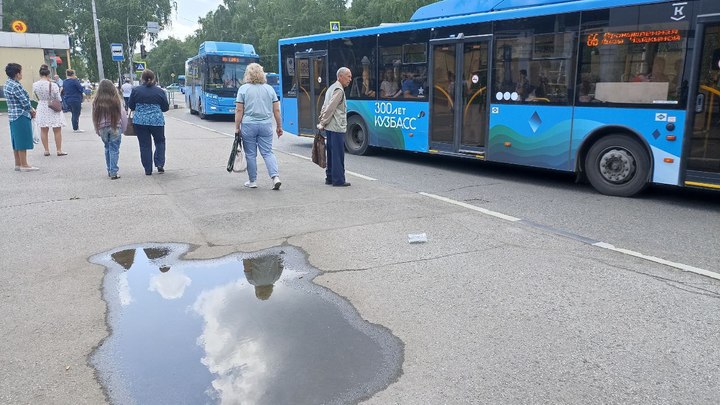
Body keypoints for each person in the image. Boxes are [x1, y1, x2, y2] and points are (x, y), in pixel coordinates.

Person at [234, 63, 283, 190]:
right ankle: (275, 177)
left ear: (248, 74)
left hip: (249, 125)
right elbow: (276, 110)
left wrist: (237, 127)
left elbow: (239, 110)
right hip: (266, 124)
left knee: (250, 154)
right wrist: (279, 126)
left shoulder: (243, 89)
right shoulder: (269, 89)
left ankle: (253, 181)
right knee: (267, 152)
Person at [128, 69, 169, 175]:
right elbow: (165, 108)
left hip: (140, 122)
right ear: (153, 78)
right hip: (157, 121)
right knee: (160, 142)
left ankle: (148, 169)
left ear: (142, 78)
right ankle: (160, 164)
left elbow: (131, 106)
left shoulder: (136, 90)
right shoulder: (160, 91)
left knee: (144, 145)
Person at [317, 67, 352, 187]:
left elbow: (325, 106)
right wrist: (322, 122)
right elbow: (331, 107)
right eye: (348, 76)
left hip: (330, 126)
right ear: (340, 77)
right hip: (337, 126)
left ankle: (330, 177)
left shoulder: (331, 88)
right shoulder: (339, 90)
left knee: (331, 153)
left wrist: (322, 121)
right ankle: (338, 180)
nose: (350, 79)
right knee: (338, 154)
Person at [4, 63, 38, 171]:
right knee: (22, 139)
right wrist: (32, 110)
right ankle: (24, 164)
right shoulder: (16, 85)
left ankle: (18, 164)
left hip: (12, 115)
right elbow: (24, 102)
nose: (21, 74)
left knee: (16, 140)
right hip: (21, 115)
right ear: (17, 73)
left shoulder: (8, 84)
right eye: (20, 72)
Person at [93, 79, 128, 180]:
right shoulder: (116, 100)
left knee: (107, 147)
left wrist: (97, 129)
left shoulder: (96, 101)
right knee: (114, 149)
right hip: (115, 127)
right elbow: (123, 115)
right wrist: (124, 128)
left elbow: (94, 117)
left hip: (102, 128)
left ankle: (109, 169)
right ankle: (113, 171)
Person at [32, 64, 67, 156]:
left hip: (42, 106)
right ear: (48, 75)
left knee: (43, 129)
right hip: (53, 107)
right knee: (57, 129)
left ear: (40, 74)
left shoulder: (35, 85)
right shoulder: (53, 85)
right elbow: (58, 98)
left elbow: (34, 98)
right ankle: (59, 150)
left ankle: (46, 150)